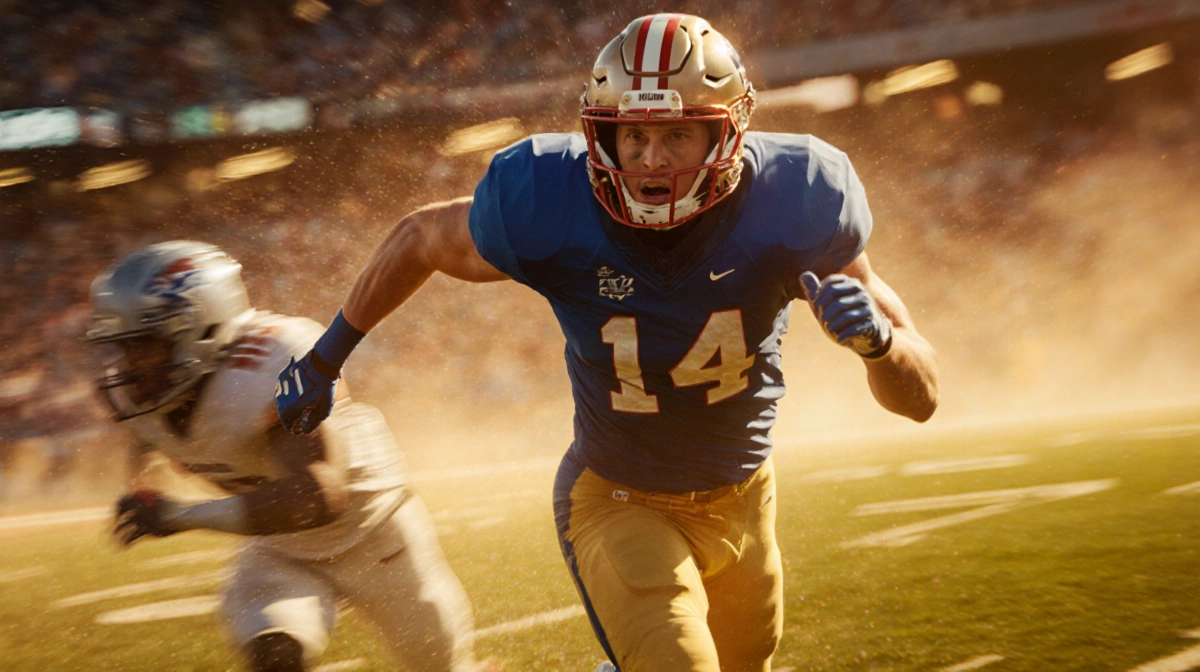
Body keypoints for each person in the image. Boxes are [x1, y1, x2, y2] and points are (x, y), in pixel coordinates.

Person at [275, 13, 939, 672]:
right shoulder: (550, 201)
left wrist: (879, 346)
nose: (652, 160)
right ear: (601, 135)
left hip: (744, 496)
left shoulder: (796, 202)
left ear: (728, 133)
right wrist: (326, 356)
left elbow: (921, 400)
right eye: (633, 136)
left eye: (679, 135)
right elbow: (422, 237)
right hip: (620, 497)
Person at [88, 240, 493, 672]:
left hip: (376, 536)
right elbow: (151, 438)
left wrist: (179, 516)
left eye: (143, 346)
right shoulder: (143, 398)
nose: (129, 368)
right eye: (123, 349)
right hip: (280, 550)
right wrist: (144, 483)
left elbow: (316, 496)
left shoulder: (275, 360)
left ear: (199, 329)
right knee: (275, 657)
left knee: (442, 668)